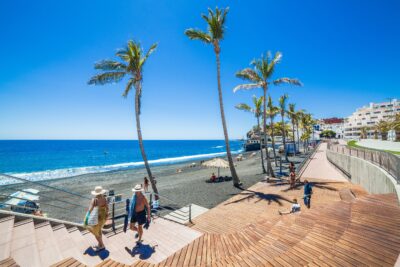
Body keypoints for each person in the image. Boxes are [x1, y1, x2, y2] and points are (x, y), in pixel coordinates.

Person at [87, 186, 108, 251]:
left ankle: (102, 245)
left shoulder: (94, 200)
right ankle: (99, 244)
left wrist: (87, 217)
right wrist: (106, 215)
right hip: (103, 217)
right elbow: (107, 208)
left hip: (96, 218)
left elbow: (90, 210)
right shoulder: (104, 198)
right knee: (99, 230)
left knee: (95, 232)